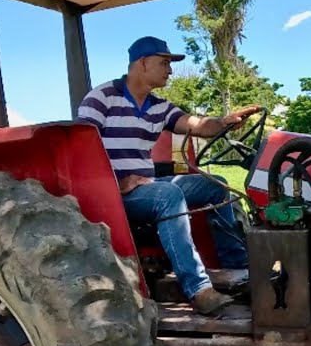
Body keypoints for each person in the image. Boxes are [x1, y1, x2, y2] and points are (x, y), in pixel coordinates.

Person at [77, 36, 258, 315]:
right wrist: (118, 183)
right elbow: (81, 150)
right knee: (168, 193)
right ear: (143, 63)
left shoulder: (159, 107)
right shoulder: (101, 99)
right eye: (164, 63)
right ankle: (197, 289)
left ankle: (237, 269)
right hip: (113, 196)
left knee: (216, 185)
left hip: (146, 187)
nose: (170, 71)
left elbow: (197, 125)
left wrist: (224, 123)